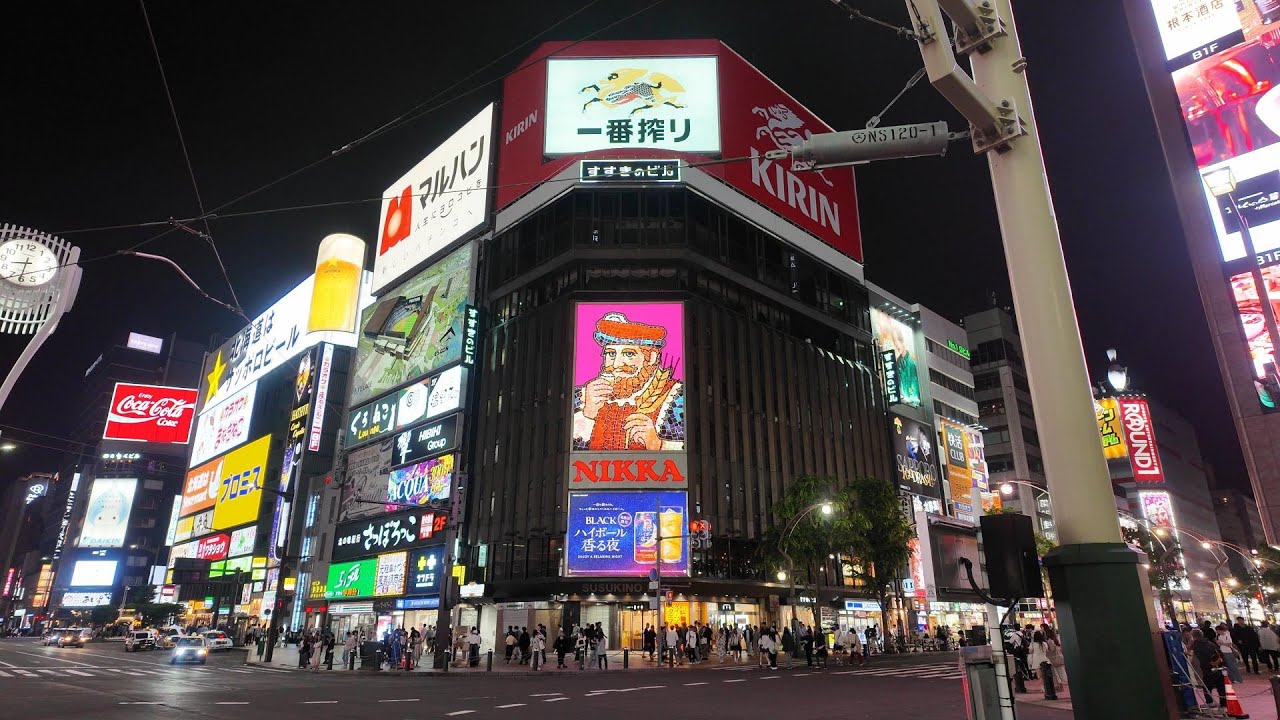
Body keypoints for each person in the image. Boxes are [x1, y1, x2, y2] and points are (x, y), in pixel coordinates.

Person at [1191, 628, 1228, 708]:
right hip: (1218, 666)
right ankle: (1223, 704)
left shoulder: (1197, 645)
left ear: (1193, 636)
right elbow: (1220, 653)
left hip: (1208, 668)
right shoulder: (1210, 643)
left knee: (1207, 687)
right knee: (1221, 687)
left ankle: (1209, 702)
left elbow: (1202, 658)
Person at [1042, 625, 1067, 689]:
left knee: (1055, 673)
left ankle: (1059, 685)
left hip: (1053, 658)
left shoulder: (1050, 641)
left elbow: (1051, 649)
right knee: (1062, 672)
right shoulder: (1056, 639)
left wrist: (1046, 651)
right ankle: (1063, 684)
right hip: (1059, 657)